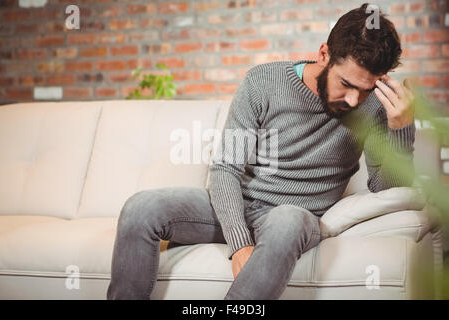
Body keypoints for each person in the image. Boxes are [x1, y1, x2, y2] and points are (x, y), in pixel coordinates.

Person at [107, 3, 416, 300]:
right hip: (240, 205)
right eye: (346, 83)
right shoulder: (263, 82)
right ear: (324, 54)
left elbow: (385, 188)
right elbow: (225, 168)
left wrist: (401, 127)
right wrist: (239, 244)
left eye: (365, 90)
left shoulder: (376, 106)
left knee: (287, 220)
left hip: (294, 218)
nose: (352, 100)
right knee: (141, 208)